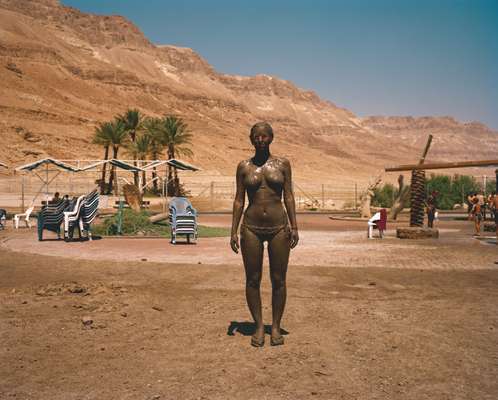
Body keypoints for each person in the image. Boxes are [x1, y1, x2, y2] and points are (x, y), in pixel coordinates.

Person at [231, 122, 299, 347]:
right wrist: (233, 230)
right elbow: (239, 199)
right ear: (251, 139)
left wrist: (294, 226)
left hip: (279, 227)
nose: (260, 140)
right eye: (256, 136)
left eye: (264, 136)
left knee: (279, 279)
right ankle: (259, 325)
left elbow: (288, 195)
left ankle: (276, 326)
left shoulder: (282, 164)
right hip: (251, 228)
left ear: (271, 138)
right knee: (252, 279)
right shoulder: (244, 167)